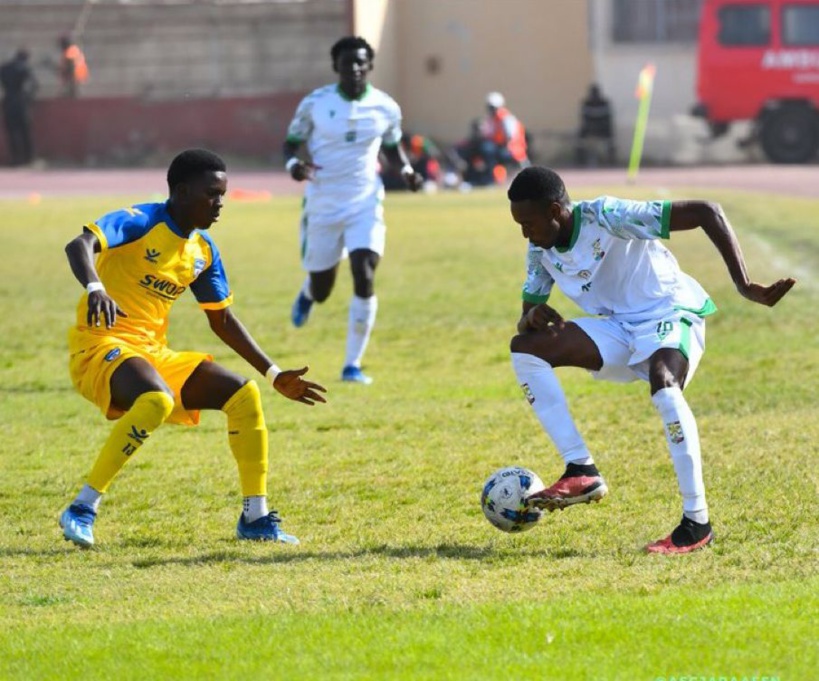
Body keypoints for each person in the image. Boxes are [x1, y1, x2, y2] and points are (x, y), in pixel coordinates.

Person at [506, 166, 795, 554]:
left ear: (555, 210)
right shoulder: (540, 251)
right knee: (525, 348)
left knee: (664, 383)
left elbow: (707, 211)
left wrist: (744, 285)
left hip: (669, 312)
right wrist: (531, 319)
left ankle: (697, 523)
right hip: (619, 329)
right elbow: (526, 319)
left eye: (528, 223)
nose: (525, 233)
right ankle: (580, 469)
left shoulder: (608, 216)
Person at [60, 148, 327, 549]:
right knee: (156, 399)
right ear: (182, 191)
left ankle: (255, 518)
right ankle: (82, 508)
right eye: (211, 194)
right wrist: (96, 287)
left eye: (223, 195)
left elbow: (222, 320)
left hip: (150, 352)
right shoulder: (141, 221)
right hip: (100, 345)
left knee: (243, 395)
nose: (219, 204)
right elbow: (78, 245)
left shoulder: (202, 251)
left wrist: (273, 374)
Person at [282, 36, 423, 385]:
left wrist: (407, 171)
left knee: (364, 271)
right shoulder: (315, 103)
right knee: (323, 288)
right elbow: (291, 142)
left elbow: (392, 146)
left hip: (364, 201)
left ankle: (352, 365)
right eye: (348, 63)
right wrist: (294, 165)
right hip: (323, 203)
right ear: (336, 66)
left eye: (361, 62)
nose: (355, 69)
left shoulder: (385, 107)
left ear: (370, 65)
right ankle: (308, 293)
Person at [0, 49, 38, 166]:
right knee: (25, 132)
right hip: (21, 101)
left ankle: (15, 159)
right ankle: (28, 158)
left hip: (8, 101)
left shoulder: (4, 68)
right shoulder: (24, 68)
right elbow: (34, 84)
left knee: (12, 132)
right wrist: (29, 97)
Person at [576, 83, 615, 167]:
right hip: (589, 128)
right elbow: (584, 118)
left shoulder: (604, 103)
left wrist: (594, 114)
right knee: (579, 139)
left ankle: (611, 161)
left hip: (602, 128)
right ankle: (580, 161)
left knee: (611, 140)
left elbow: (607, 118)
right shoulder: (586, 103)